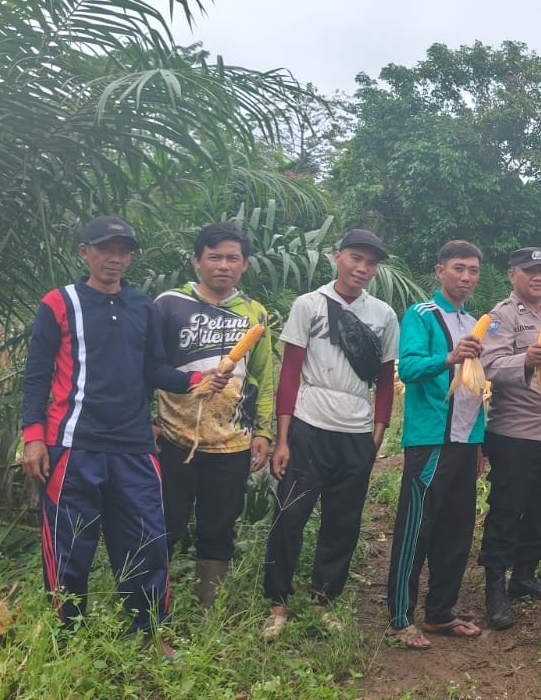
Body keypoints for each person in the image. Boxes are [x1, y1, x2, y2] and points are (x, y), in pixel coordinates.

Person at [21, 216, 228, 653]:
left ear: (131, 257)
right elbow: (36, 375)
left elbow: (154, 368)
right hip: (73, 445)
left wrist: (196, 381)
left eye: (123, 251)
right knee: (69, 546)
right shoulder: (59, 303)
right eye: (105, 249)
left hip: (134, 446)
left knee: (145, 542)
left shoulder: (142, 307)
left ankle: (150, 632)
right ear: (85, 252)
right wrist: (33, 436)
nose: (114, 258)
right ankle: (66, 637)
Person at [263, 229, 399, 639]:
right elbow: (290, 372)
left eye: (371, 263)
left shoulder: (383, 315)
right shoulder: (309, 305)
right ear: (336, 256)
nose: (362, 268)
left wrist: (377, 434)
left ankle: (324, 601)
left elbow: (386, 380)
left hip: (356, 428)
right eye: (355, 258)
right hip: (309, 423)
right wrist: (283, 438)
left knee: (343, 522)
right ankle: (277, 602)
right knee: (290, 516)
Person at [152, 222, 276, 609]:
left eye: (232, 258)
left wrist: (264, 432)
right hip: (174, 436)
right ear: (196, 260)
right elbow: (146, 366)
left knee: (219, 526)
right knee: (165, 522)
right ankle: (153, 604)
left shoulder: (254, 313)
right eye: (214, 257)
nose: (223, 265)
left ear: (245, 264)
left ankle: (208, 608)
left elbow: (263, 378)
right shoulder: (169, 304)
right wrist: (147, 421)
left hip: (232, 441)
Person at [384, 240, 488, 648]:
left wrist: (479, 441)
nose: (466, 277)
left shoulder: (475, 322)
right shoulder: (421, 314)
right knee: (417, 527)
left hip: (466, 439)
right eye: (459, 268)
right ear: (440, 270)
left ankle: (440, 613)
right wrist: (448, 358)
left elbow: (477, 387)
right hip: (431, 439)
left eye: (473, 270)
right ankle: (399, 615)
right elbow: (408, 367)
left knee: (457, 530)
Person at [478, 246, 541, 630]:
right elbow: (488, 365)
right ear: (512, 274)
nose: (538, 276)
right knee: (507, 508)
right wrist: (525, 360)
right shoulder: (501, 317)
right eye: (529, 270)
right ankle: (494, 586)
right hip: (515, 431)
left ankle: (524, 574)